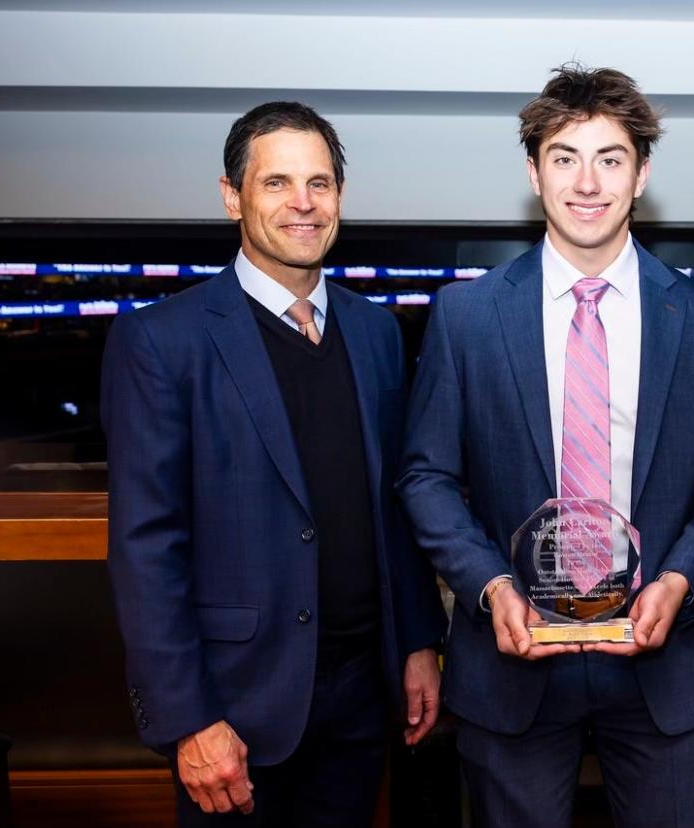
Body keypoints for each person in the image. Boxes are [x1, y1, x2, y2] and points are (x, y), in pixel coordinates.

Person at [396, 65, 694, 828]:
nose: (587, 182)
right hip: (513, 659)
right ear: (534, 173)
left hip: (661, 662)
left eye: (610, 158)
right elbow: (426, 477)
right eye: (564, 158)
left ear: (642, 174)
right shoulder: (466, 317)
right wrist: (491, 586)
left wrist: (684, 580)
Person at [102, 101, 446, 826]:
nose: (302, 204)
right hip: (234, 707)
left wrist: (416, 644)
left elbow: (394, 505)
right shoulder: (162, 342)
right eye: (277, 183)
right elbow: (146, 549)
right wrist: (188, 719)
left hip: (360, 696)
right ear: (232, 196)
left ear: (340, 198)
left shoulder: (376, 332)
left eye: (320, 184)